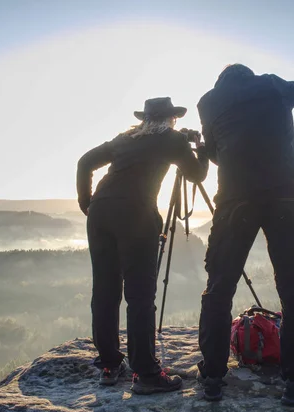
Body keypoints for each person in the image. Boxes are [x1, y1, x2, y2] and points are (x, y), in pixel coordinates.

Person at [195, 64, 294, 406]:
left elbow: (215, 155)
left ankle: (213, 378)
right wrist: (281, 95)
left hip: (236, 198)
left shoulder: (207, 103)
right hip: (286, 194)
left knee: (219, 289)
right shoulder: (271, 85)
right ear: (249, 77)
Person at [76, 97, 208, 394]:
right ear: (171, 119)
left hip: (101, 214)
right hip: (136, 215)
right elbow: (196, 174)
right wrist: (199, 149)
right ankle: (145, 373)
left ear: (146, 119)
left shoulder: (125, 138)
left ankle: (109, 365)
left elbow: (84, 162)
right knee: (139, 296)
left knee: (105, 289)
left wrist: (88, 203)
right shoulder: (172, 140)